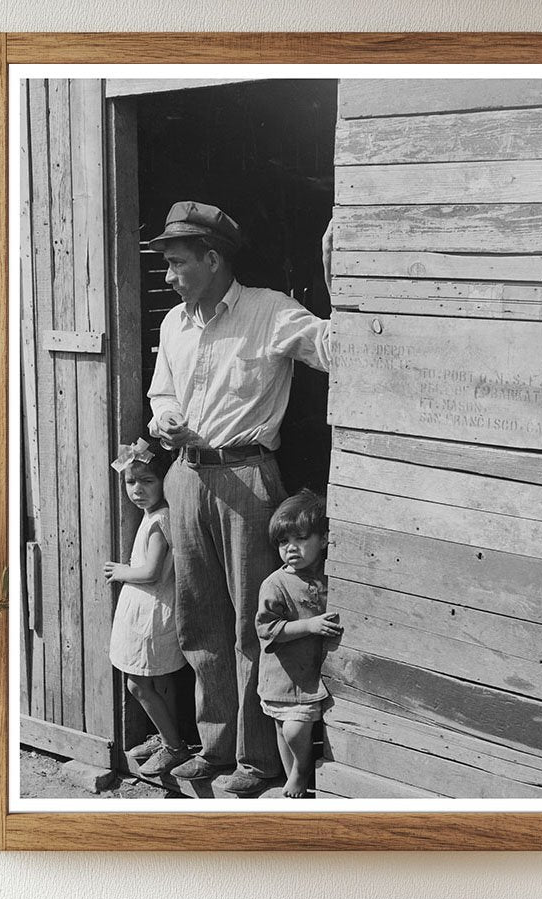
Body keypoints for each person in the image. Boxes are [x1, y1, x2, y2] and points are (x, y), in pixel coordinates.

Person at [147, 200, 333, 795]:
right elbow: (161, 394)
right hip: (186, 477)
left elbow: (334, 349)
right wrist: (166, 420)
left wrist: (345, 277)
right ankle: (215, 747)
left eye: (178, 263)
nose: (169, 276)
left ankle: (257, 758)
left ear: (213, 259)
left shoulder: (270, 311)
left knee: (256, 621)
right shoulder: (173, 324)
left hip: (247, 479)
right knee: (200, 620)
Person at [104, 438, 189, 777]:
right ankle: (168, 736)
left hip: (150, 612)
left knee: (138, 684)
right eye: (130, 482)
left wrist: (120, 571)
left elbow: (152, 572)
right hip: (149, 608)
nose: (137, 489)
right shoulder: (154, 514)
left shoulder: (159, 520)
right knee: (160, 681)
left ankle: (174, 747)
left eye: (147, 481)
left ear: (163, 481)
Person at [256, 490, 341, 798]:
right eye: (283, 541)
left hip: (310, 673)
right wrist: (308, 625)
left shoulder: (331, 576)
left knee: (293, 729)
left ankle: (299, 773)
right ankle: (297, 773)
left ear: (324, 539)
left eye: (301, 538)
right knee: (285, 728)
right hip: (284, 674)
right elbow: (266, 628)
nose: (290, 547)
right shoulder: (275, 584)